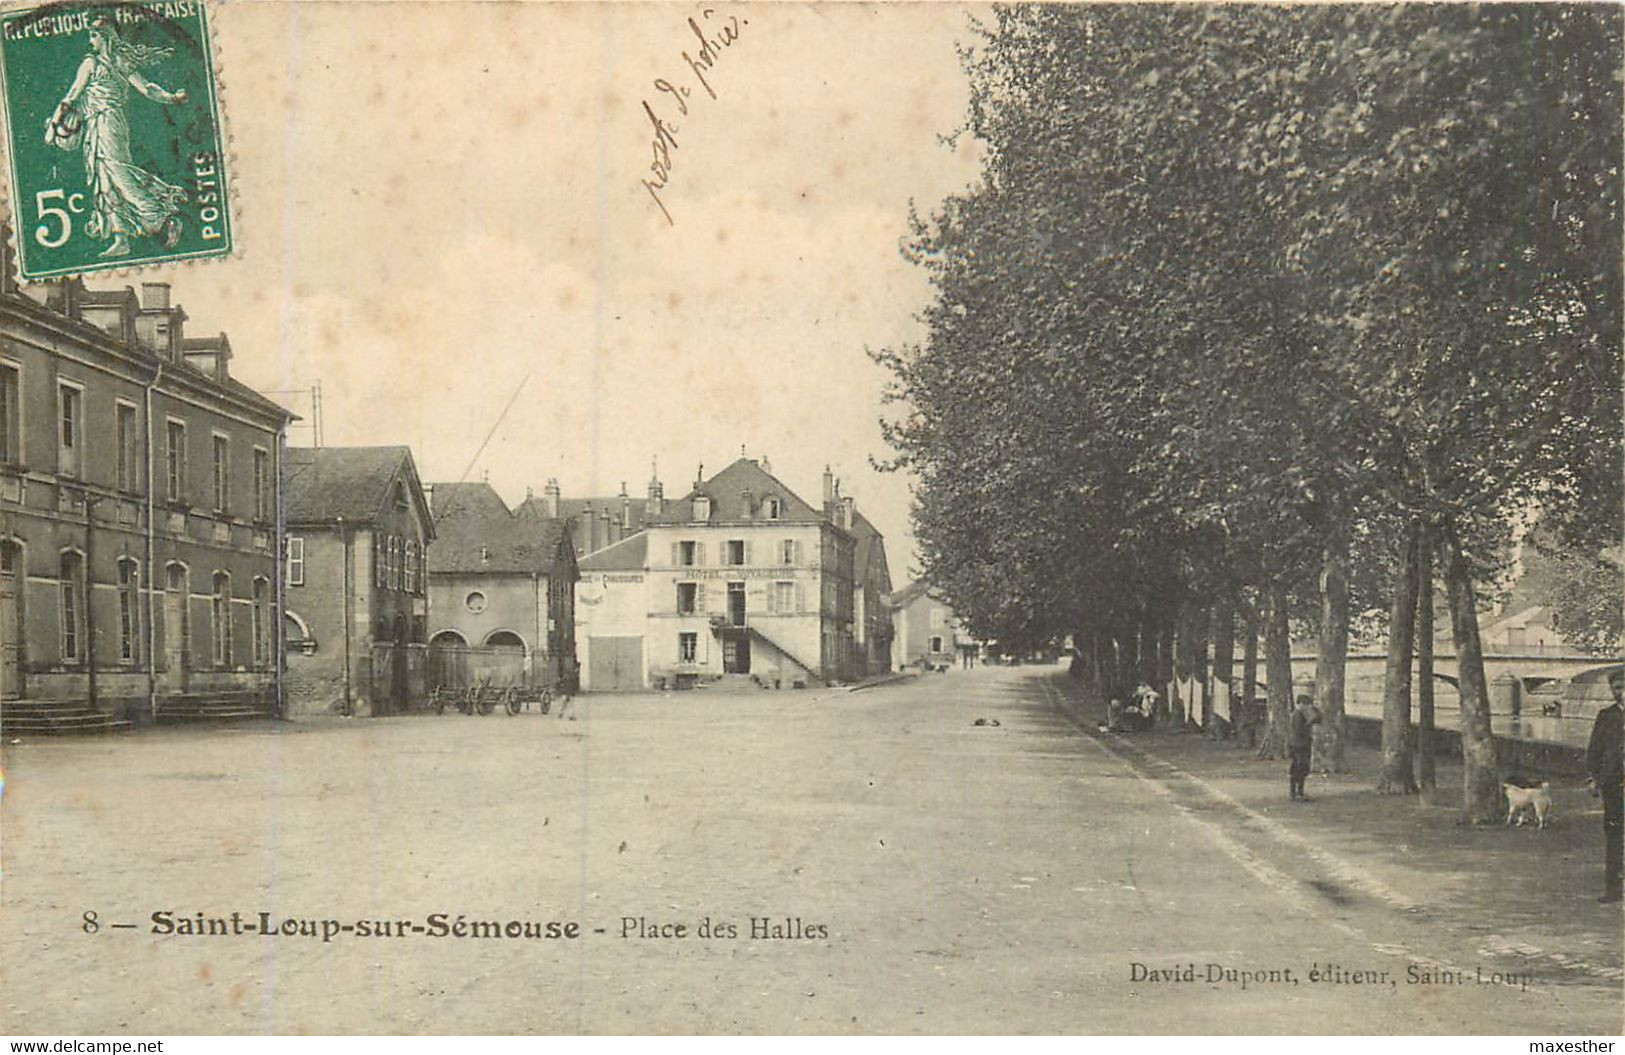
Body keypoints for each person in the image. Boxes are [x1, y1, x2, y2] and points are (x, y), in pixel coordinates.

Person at [47, 18, 189, 259]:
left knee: (117, 172)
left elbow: (72, 96)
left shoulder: (92, 63)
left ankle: (163, 216)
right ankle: (120, 238)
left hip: (107, 123)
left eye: (94, 35)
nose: (91, 40)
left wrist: (53, 125)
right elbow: (148, 89)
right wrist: (171, 97)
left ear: (105, 36)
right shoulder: (116, 61)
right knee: (104, 179)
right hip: (98, 123)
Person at [1586, 670, 1623, 902]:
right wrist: (1593, 778)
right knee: (1614, 835)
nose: (1620, 692)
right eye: (1616, 688)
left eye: (1623, 686)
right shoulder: (1605, 716)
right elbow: (1594, 750)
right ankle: (1614, 889)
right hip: (1613, 785)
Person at [1288, 694, 1321, 801]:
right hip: (1298, 745)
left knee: (1302, 768)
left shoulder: (1302, 714)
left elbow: (1318, 719)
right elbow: (1299, 731)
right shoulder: (1297, 714)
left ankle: (1298, 791)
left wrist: (1315, 710)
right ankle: (1295, 792)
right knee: (1298, 767)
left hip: (1301, 744)